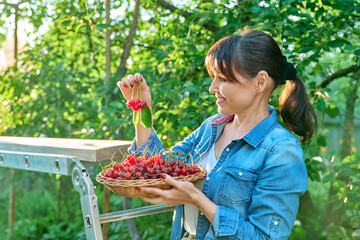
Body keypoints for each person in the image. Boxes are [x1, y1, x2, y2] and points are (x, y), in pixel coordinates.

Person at [117, 29, 317, 240]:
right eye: (214, 78)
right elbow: (156, 172)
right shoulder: (211, 127)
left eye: (223, 79)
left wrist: (196, 198)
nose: (213, 88)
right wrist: (142, 110)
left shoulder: (281, 151)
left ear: (260, 82)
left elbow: (264, 237)